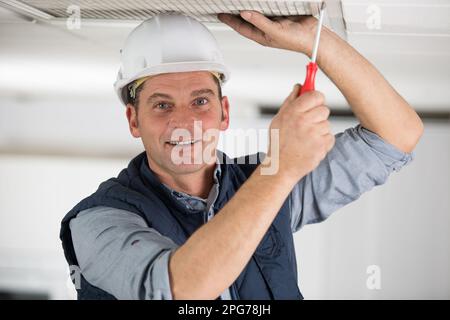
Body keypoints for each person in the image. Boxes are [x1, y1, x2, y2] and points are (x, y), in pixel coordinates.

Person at [60, 12, 423, 300]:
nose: (184, 121)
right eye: (162, 105)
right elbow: (179, 291)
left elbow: (397, 133)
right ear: (133, 120)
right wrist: (279, 172)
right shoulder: (99, 221)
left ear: (224, 113)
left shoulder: (264, 181)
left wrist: (317, 41)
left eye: (200, 101)